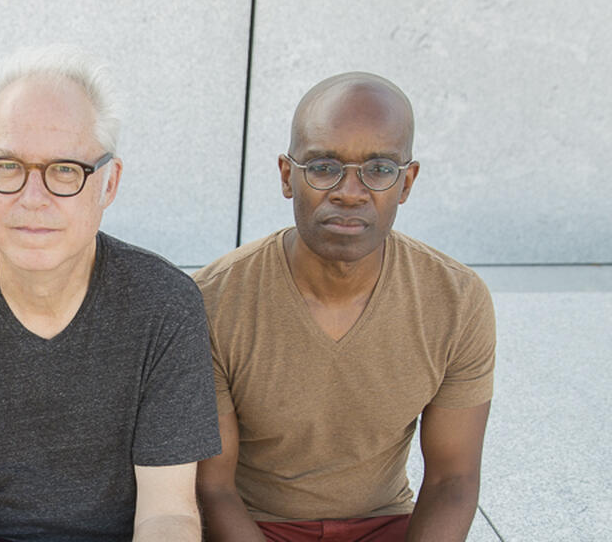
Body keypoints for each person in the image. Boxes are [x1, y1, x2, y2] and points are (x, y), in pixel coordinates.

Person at [0, 45, 220, 542]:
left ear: (108, 184)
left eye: (64, 170)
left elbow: (167, 515)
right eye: (8, 166)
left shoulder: (165, 306)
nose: (31, 199)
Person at [194, 72, 495, 542]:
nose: (349, 192)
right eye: (323, 166)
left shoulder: (456, 300)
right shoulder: (212, 300)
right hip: (254, 526)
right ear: (287, 175)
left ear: (407, 182)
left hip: (385, 523)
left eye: (378, 170)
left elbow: (452, 479)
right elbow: (214, 488)